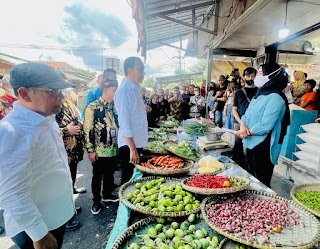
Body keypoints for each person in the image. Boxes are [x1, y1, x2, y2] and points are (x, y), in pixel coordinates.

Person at [0, 62, 76, 249]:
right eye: (53, 91)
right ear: (25, 94)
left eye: (61, 90)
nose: (61, 97)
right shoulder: (13, 131)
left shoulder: (45, 116)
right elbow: (12, 194)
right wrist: (40, 235)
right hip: (36, 228)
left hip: (54, 216)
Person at [235, 63, 290, 187]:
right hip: (250, 141)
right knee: (251, 176)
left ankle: (263, 203)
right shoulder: (259, 95)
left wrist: (246, 132)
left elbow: (266, 125)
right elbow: (246, 114)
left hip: (264, 144)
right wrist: (243, 126)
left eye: (260, 73)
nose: (257, 76)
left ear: (271, 76)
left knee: (261, 180)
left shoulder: (276, 97)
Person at [84, 79, 119, 214]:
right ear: (105, 90)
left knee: (110, 174)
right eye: (114, 91)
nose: (115, 94)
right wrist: (90, 150)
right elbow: (87, 130)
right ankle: (96, 200)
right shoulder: (92, 107)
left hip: (113, 148)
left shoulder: (114, 106)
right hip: (99, 150)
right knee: (97, 176)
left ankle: (107, 194)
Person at [115, 57, 148, 185]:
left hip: (136, 143)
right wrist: (133, 149)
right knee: (128, 181)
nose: (143, 73)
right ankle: (124, 205)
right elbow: (124, 123)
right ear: (129, 70)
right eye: (140, 69)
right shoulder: (123, 92)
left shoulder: (135, 90)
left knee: (135, 181)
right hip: (129, 145)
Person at [232, 67, 257, 168]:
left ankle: (250, 168)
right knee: (238, 145)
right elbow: (234, 109)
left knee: (251, 146)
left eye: (253, 76)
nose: (250, 78)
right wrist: (241, 122)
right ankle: (237, 167)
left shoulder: (259, 92)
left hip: (253, 123)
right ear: (243, 77)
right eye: (248, 76)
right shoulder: (238, 92)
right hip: (238, 123)